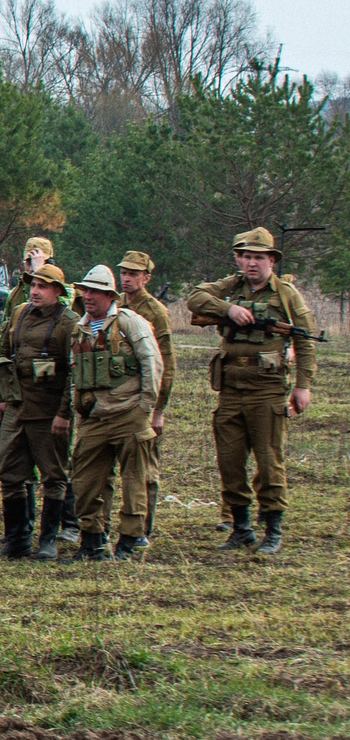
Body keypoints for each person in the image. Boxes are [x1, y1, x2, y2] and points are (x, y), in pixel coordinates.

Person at [186, 226, 318, 556]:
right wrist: (228, 309)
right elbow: (195, 297)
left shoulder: (285, 294)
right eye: (245, 257)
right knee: (230, 462)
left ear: (271, 260)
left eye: (259, 257)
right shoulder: (232, 286)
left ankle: (272, 528)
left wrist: (302, 387)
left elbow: (305, 341)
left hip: (267, 391)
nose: (252, 263)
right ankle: (241, 528)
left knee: (269, 462)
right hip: (230, 390)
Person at [58, 266, 162, 563]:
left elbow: (151, 364)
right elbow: (73, 375)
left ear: (109, 295)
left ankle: (129, 541)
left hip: (129, 413)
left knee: (134, 481)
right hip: (93, 417)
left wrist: (145, 407)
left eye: (93, 292)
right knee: (85, 481)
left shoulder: (131, 323)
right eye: (85, 291)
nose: (87, 296)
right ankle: (92, 541)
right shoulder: (80, 328)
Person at [0, 262, 75, 560]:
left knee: (53, 475)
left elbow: (73, 375)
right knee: (10, 472)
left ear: (57, 292)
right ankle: (17, 540)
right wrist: (2, 394)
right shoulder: (20, 312)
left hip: (48, 412)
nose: (35, 291)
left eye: (42, 286)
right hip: (16, 407)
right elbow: (3, 352)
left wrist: (64, 414)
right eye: (33, 285)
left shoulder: (68, 323)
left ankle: (48, 540)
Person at [114, 249, 174, 547]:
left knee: (144, 466)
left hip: (145, 399)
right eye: (124, 273)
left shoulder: (155, 311)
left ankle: (142, 529)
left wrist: (158, 409)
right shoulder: (116, 305)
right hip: (120, 399)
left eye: (133, 274)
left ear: (146, 278)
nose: (126, 278)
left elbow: (166, 363)